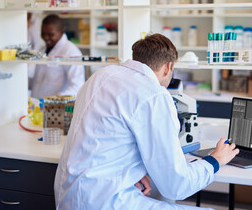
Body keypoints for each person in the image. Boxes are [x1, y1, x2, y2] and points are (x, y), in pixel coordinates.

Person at [54, 34, 239, 209]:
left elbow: (105, 138)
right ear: (168, 67)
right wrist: (215, 160)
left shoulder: (102, 75)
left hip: (70, 195)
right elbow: (176, 185)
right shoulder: (154, 94)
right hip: (107, 202)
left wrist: (132, 171)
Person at [30, 14, 85, 99]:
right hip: (37, 106)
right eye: (43, 34)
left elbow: (77, 86)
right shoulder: (42, 50)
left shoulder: (71, 52)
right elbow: (38, 81)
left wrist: (55, 99)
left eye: (50, 34)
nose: (46, 37)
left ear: (62, 32)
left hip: (56, 108)